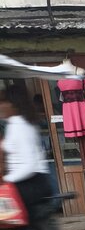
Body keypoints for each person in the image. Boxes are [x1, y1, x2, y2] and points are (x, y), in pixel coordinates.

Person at [0, 84, 53, 220]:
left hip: (31, 184)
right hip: (30, 182)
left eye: (4, 102)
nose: (1, 106)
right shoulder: (16, 124)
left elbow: (29, 165)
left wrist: (7, 180)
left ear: (14, 105)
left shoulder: (20, 127)